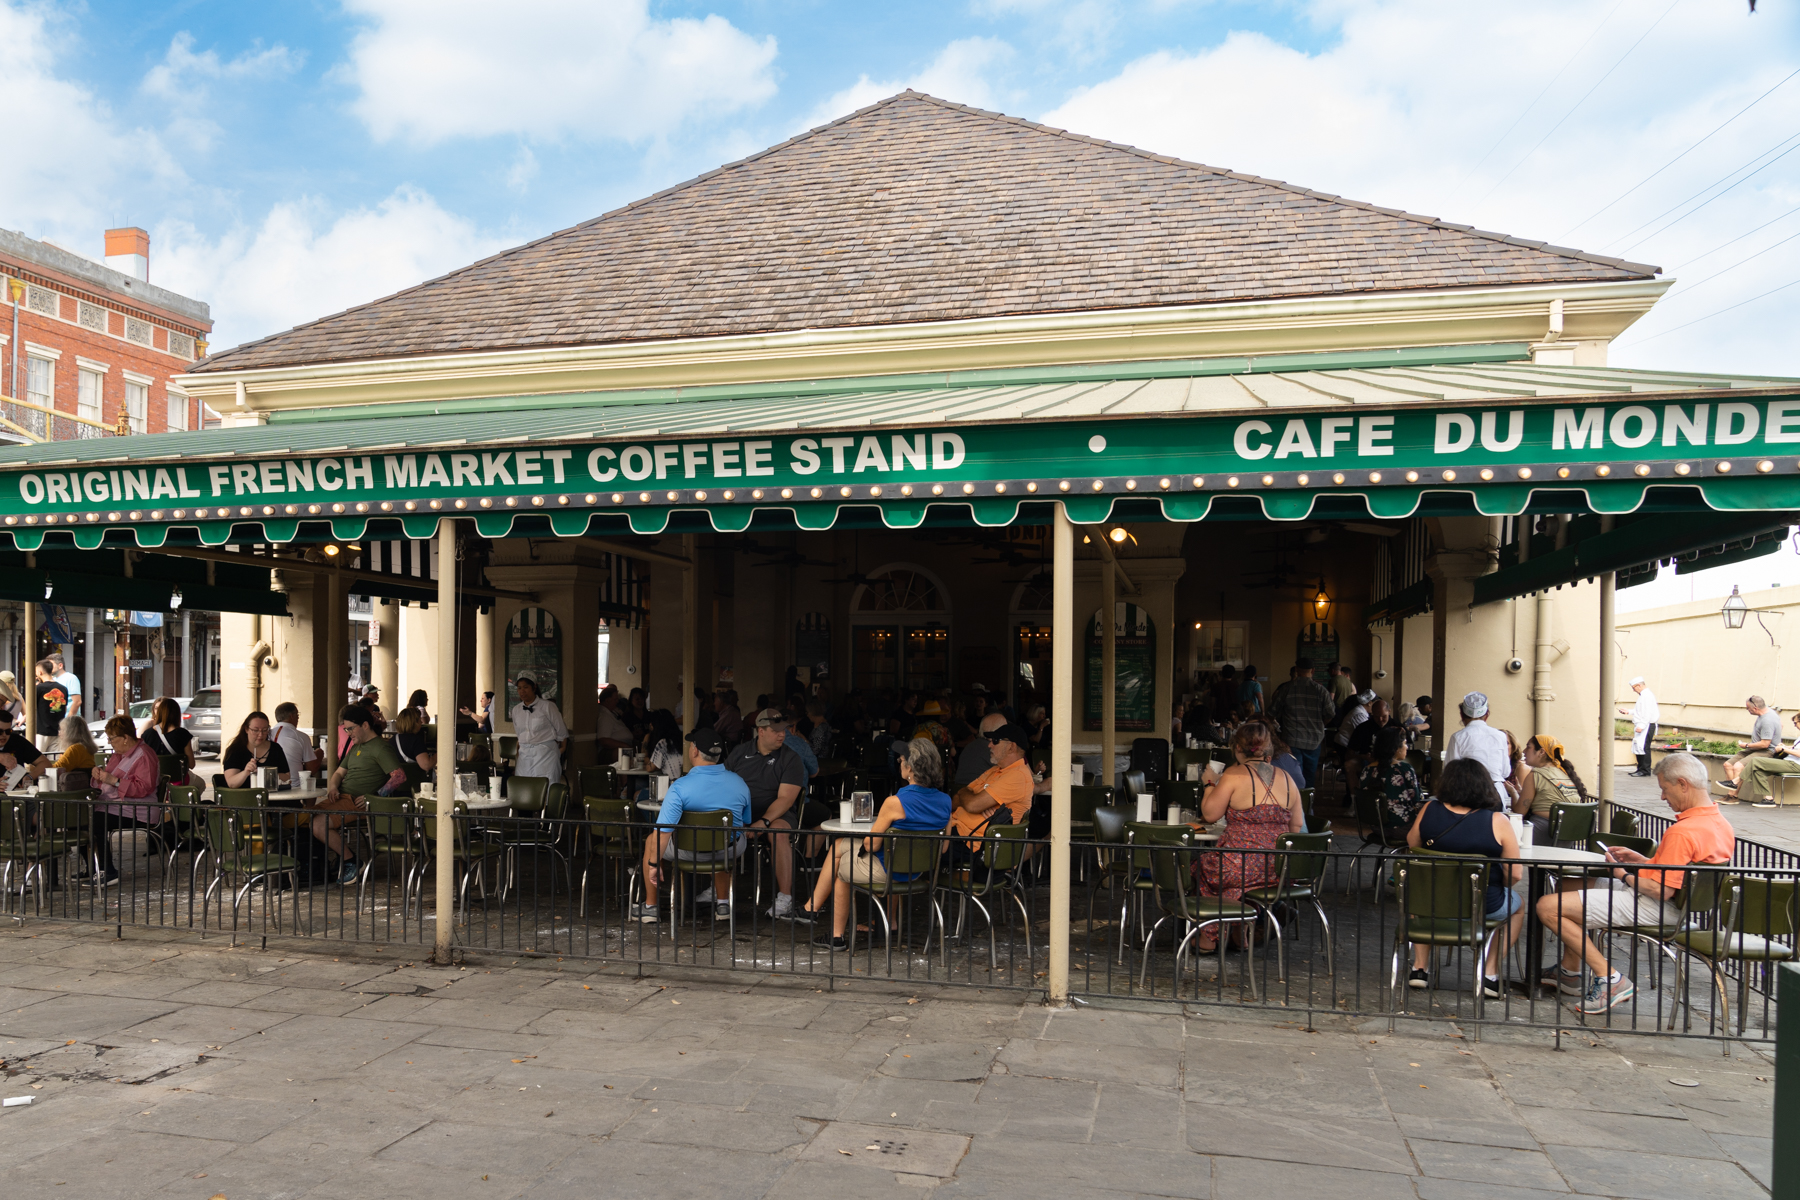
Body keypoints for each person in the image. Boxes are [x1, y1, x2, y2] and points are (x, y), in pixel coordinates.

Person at [1536, 752, 1734, 1014]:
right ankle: (1570, 971)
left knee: (1547, 907)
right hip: (1678, 907)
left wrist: (1622, 874)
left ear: (1683, 784)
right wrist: (1644, 860)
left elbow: (1660, 889)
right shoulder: (1720, 823)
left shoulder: (1683, 831)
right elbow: (1681, 872)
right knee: (1568, 888)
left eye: (1665, 788)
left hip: (1657, 905)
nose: (1663, 797)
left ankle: (1611, 979)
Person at [807, 737, 953, 951]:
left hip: (888, 871)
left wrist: (867, 841)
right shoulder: (946, 801)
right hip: (917, 871)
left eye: (902, 760)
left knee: (842, 870)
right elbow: (944, 847)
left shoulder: (895, 802)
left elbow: (872, 845)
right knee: (840, 845)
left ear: (910, 768)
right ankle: (811, 908)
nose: (899, 763)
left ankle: (836, 937)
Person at [1404, 756, 1525, 998]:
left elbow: (1412, 844)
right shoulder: (1498, 821)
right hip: (1482, 904)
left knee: (1418, 897)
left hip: (1433, 902)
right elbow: (1515, 874)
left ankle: (1420, 968)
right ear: (1484, 786)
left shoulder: (1429, 809)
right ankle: (1489, 974)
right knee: (1517, 907)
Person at [1193, 720, 1306, 951]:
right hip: (1277, 869)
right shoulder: (1287, 778)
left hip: (1237, 864)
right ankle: (1239, 930)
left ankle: (1210, 937)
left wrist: (1209, 783)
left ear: (1237, 748)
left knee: (1201, 868)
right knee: (1247, 882)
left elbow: (1210, 814)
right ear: (1269, 750)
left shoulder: (1233, 775)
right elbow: (1296, 826)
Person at [632, 727, 752, 924]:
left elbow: (663, 832)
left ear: (694, 751)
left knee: (651, 840)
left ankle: (651, 907)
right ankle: (723, 904)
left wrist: (654, 864)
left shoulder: (679, 786)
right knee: (722, 836)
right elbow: (745, 821)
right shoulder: (739, 783)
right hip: (728, 850)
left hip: (686, 851)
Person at [725, 708, 808, 917]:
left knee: (778, 832)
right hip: (741, 812)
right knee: (717, 824)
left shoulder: (791, 758)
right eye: (776, 730)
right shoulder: (739, 752)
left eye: (784, 729)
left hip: (778, 814)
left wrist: (764, 821)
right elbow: (723, 784)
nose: (782, 734)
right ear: (760, 731)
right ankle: (719, 891)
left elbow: (786, 799)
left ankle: (785, 897)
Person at [321, 705, 402, 884]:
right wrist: (333, 787)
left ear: (365, 725)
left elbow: (399, 776)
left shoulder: (381, 748)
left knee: (318, 823)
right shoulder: (356, 746)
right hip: (340, 797)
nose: (348, 733)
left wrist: (374, 798)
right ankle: (325, 863)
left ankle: (351, 861)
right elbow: (338, 773)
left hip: (356, 802)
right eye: (346, 729)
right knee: (304, 817)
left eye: (350, 728)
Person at [89, 714, 167, 887]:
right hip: (117, 806)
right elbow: (108, 780)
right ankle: (92, 868)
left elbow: (143, 788)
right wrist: (98, 776)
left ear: (125, 738)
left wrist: (113, 781)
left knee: (96, 822)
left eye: (112, 738)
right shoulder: (119, 755)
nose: (110, 743)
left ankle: (107, 871)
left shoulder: (144, 755)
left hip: (139, 810)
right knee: (80, 818)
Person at [949, 723, 1036, 856]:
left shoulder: (1017, 775)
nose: (989, 745)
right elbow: (955, 799)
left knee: (916, 845)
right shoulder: (996, 770)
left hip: (974, 844)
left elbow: (972, 804)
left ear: (1011, 747)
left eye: (995, 741)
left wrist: (969, 796)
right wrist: (966, 796)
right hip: (957, 832)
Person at [1269, 660, 1333, 787]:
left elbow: (1272, 713)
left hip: (1291, 739)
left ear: (1296, 670)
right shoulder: (1321, 691)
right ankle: (1308, 802)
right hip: (1314, 740)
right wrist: (1320, 725)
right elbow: (1330, 714)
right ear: (1313, 671)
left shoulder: (1286, 689)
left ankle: (1295, 802)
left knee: (1294, 775)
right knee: (1310, 776)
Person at [1515, 733, 1589, 841]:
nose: (1524, 751)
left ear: (1541, 752)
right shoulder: (1563, 772)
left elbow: (1519, 813)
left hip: (1543, 832)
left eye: (1528, 747)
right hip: (1569, 835)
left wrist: (1513, 793)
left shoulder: (1535, 774)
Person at [1444, 692, 1512, 805]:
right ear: (1487, 714)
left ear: (1461, 714)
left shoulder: (1458, 737)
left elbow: (1450, 772)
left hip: (1467, 793)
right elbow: (1505, 772)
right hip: (1495, 792)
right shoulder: (1500, 736)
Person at [1359, 725, 1425, 839]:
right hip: (1402, 827)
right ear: (1396, 748)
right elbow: (1417, 801)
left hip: (1377, 827)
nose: (1407, 747)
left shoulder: (1366, 770)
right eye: (1404, 743)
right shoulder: (1405, 769)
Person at [1735, 711, 1800, 808]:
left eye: (1796, 723)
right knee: (1758, 770)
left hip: (1795, 765)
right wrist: (1785, 746)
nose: (1794, 726)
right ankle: (1768, 799)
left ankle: (1736, 781)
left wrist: (1784, 749)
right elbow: (1796, 748)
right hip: (1789, 762)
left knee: (1756, 761)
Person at [511, 676, 568, 785]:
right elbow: (519, 733)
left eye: (525, 687)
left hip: (545, 754)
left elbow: (561, 731)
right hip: (525, 755)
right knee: (524, 787)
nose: (522, 691)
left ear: (534, 687)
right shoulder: (516, 710)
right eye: (519, 688)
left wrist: (552, 746)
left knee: (546, 786)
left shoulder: (548, 706)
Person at [1722, 695, 1782, 791]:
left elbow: (1765, 744)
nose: (1747, 710)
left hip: (1766, 751)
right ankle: (1730, 793)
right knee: (1728, 764)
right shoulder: (1768, 711)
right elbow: (1781, 725)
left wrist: (1746, 745)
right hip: (1755, 748)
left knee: (1738, 766)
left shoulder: (1768, 720)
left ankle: (1733, 796)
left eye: (1748, 708)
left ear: (1755, 708)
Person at [222, 711, 292, 789]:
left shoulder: (275, 748)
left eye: (265, 730)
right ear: (246, 729)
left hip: (273, 797)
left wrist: (267, 774)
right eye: (255, 730)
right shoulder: (235, 751)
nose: (260, 734)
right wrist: (245, 772)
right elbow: (231, 784)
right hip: (245, 798)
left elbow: (287, 777)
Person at [142, 697, 197, 787]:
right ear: (176, 713)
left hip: (153, 781)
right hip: (178, 781)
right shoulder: (183, 734)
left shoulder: (147, 734)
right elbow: (191, 764)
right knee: (201, 784)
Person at [953, 712, 1006, 790]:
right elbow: (1012, 773)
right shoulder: (992, 749)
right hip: (978, 794)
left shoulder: (971, 746)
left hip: (960, 792)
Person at [1620, 676, 1659, 777]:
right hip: (1644, 724)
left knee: (1643, 747)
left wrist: (1641, 725)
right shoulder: (1643, 696)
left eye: (1634, 688)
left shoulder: (1647, 696)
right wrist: (1628, 711)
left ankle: (1645, 770)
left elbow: (1647, 713)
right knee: (1639, 747)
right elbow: (1640, 711)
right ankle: (1640, 768)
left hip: (1646, 725)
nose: (1634, 690)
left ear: (1639, 685)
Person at [271, 702, 321, 778]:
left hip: (269, 784)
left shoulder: (267, 735)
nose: (298, 718)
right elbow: (311, 769)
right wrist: (320, 754)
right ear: (292, 716)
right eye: (297, 715)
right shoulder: (301, 737)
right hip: (294, 786)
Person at [0, 708, 47, 786]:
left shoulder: (17, 741)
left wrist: (29, 777)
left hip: (16, 794)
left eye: (8, 731)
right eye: (0, 731)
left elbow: (45, 763)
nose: (4, 735)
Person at [49, 716, 97, 790]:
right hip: (84, 789)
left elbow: (56, 769)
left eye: (62, 730)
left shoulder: (75, 749)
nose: (59, 733)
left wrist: (41, 766)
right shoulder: (85, 747)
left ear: (70, 732)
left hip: (73, 790)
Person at [32, 659, 68, 750]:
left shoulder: (38, 688)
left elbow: (31, 708)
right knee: (53, 761)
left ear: (40, 672)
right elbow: (65, 708)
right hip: (57, 731)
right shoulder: (63, 688)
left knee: (37, 759)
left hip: (41, 732)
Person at [595, 686, 635, 764]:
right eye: (615, 699)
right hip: (614, 751)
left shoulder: (612, 712)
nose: (617, 702)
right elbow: (604, 740)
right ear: (607, 700)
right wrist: (625, 745)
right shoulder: (605, 716)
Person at [391, 707, 435, 774]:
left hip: (396, 782)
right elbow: (426, 765)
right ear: (415, 722)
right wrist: (439, 754)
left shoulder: (393, 739)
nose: (421, 722)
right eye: (419, 719)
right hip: (413, 781)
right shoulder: (416, 740)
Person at [49, 654, 81, 721]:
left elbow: (77, 701)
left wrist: (68, 719)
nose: (48, 667)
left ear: (60, 665)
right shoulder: (52, 679)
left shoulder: (71, 678)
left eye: (51, 665)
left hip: (69, 720)